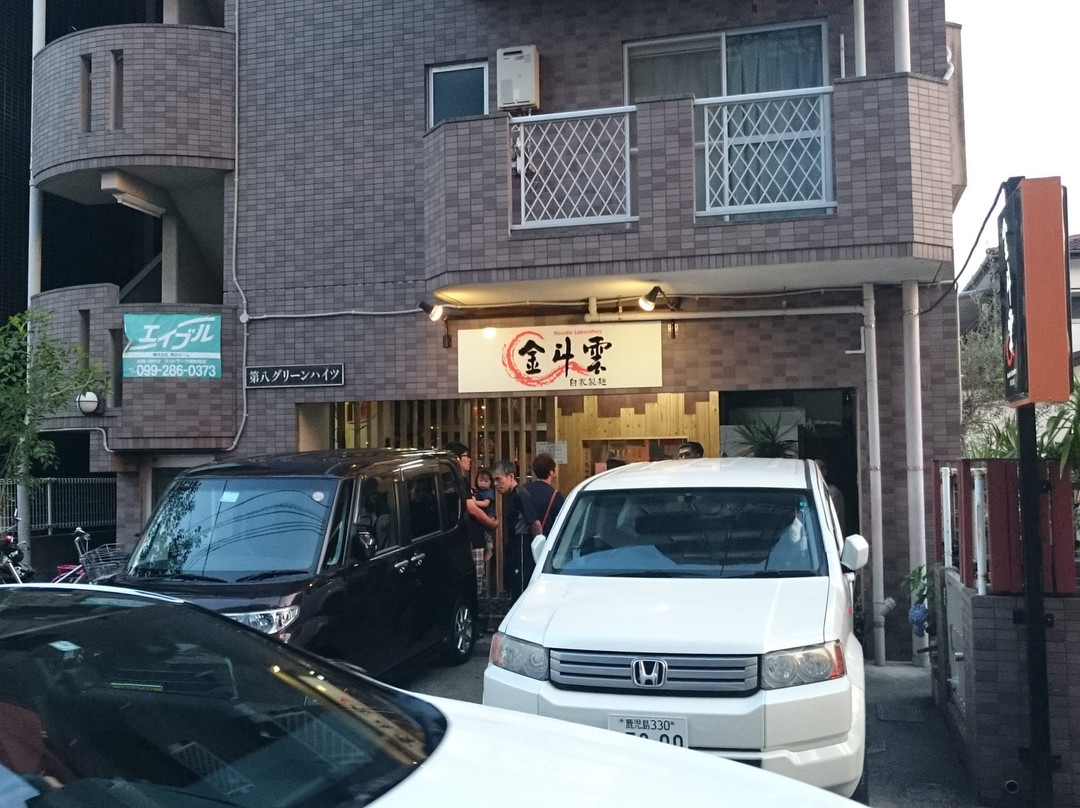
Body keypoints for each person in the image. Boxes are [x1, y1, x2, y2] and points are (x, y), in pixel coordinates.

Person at [445, 442, 498, 596]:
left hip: (459, 539)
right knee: (474, 583)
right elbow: (472, 509)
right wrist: (492, 523)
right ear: (456, 458)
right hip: (470, 538)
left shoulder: (448, 481)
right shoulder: (458, 481)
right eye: (466, 456)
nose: (469, 460)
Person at [492, 459, 542, 602]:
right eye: (494, 480)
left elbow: (535, 523)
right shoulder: (511, 495)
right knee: (514, 586)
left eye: (498, 479)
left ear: (511, 477)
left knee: (521, 588)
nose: (495, 484)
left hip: (522, 543)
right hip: (514, 544)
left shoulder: (520, 494)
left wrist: (539, 548)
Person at [522, 453, 565, 536]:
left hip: (524, 539)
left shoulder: (523, 489)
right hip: (546, 539)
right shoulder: (556, 495)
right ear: (551, 472)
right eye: (556, 466)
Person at [815, 459, 846, 535]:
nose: (816, 473)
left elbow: (834, 521)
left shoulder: (832, 492)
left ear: (824, 471)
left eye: (818, 469)